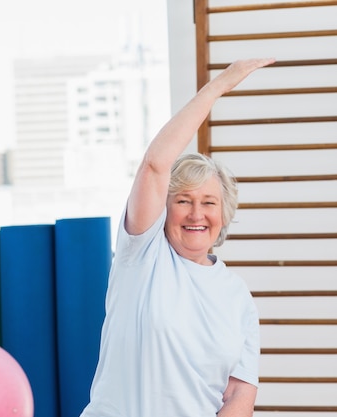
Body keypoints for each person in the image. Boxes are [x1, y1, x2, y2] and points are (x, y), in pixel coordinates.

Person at [79, 57, 276, 417]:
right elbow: (155, 164)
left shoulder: (237, 297)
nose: (196, 214)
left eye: (208, 203)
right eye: (183, 201)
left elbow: (239, 396)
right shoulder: (142, 254)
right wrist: (217, 88)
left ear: (224, 213)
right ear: (165, 210)